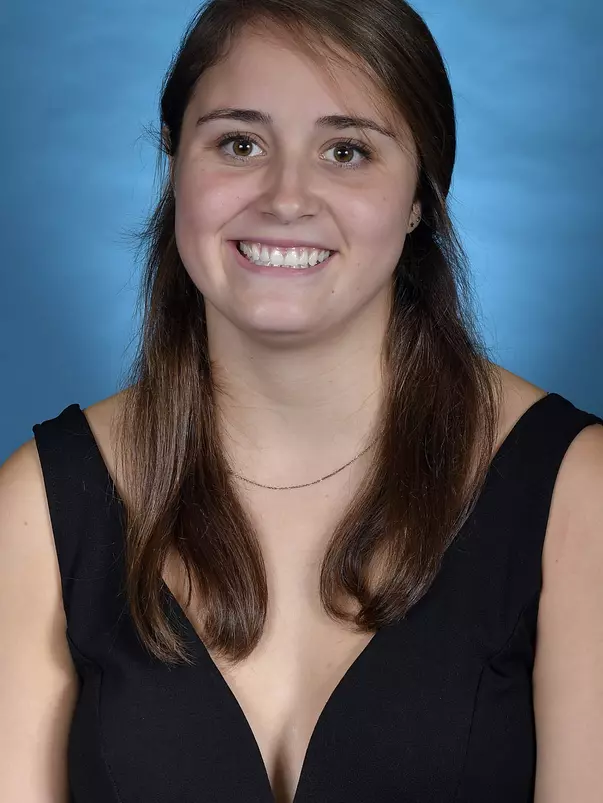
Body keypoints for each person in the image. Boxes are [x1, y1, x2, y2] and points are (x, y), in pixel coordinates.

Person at [1, 1, 602, 801]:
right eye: (239, 144)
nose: (286, 198)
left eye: (347, 150)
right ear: (176, 164)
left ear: (420, 196)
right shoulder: (36, 506)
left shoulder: (577, 495)